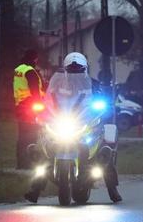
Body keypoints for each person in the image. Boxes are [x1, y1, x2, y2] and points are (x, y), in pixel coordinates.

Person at [25, 52, 122, 203]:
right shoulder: (58, 84)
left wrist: (104, 104)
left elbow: (102, 99)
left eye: (78, 69)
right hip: (61, 120)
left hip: (83, 122)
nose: (74, 72)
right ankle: (35, 190)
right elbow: (49, 97)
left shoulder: (93, 84)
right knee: (43, 155)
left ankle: (112, 189)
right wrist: (42, 107)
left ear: (84, 69)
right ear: (65, 70)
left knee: (105, 149)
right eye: (71, 69)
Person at [13, 49, 44, 169]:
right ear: (34, 59)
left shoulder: (19, 69)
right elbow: (35, 91)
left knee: (22, 137)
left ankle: (21, 164)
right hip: (30, 108)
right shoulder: (30, 71)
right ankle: (28, 164)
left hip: (20, 106)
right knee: (31, 137)